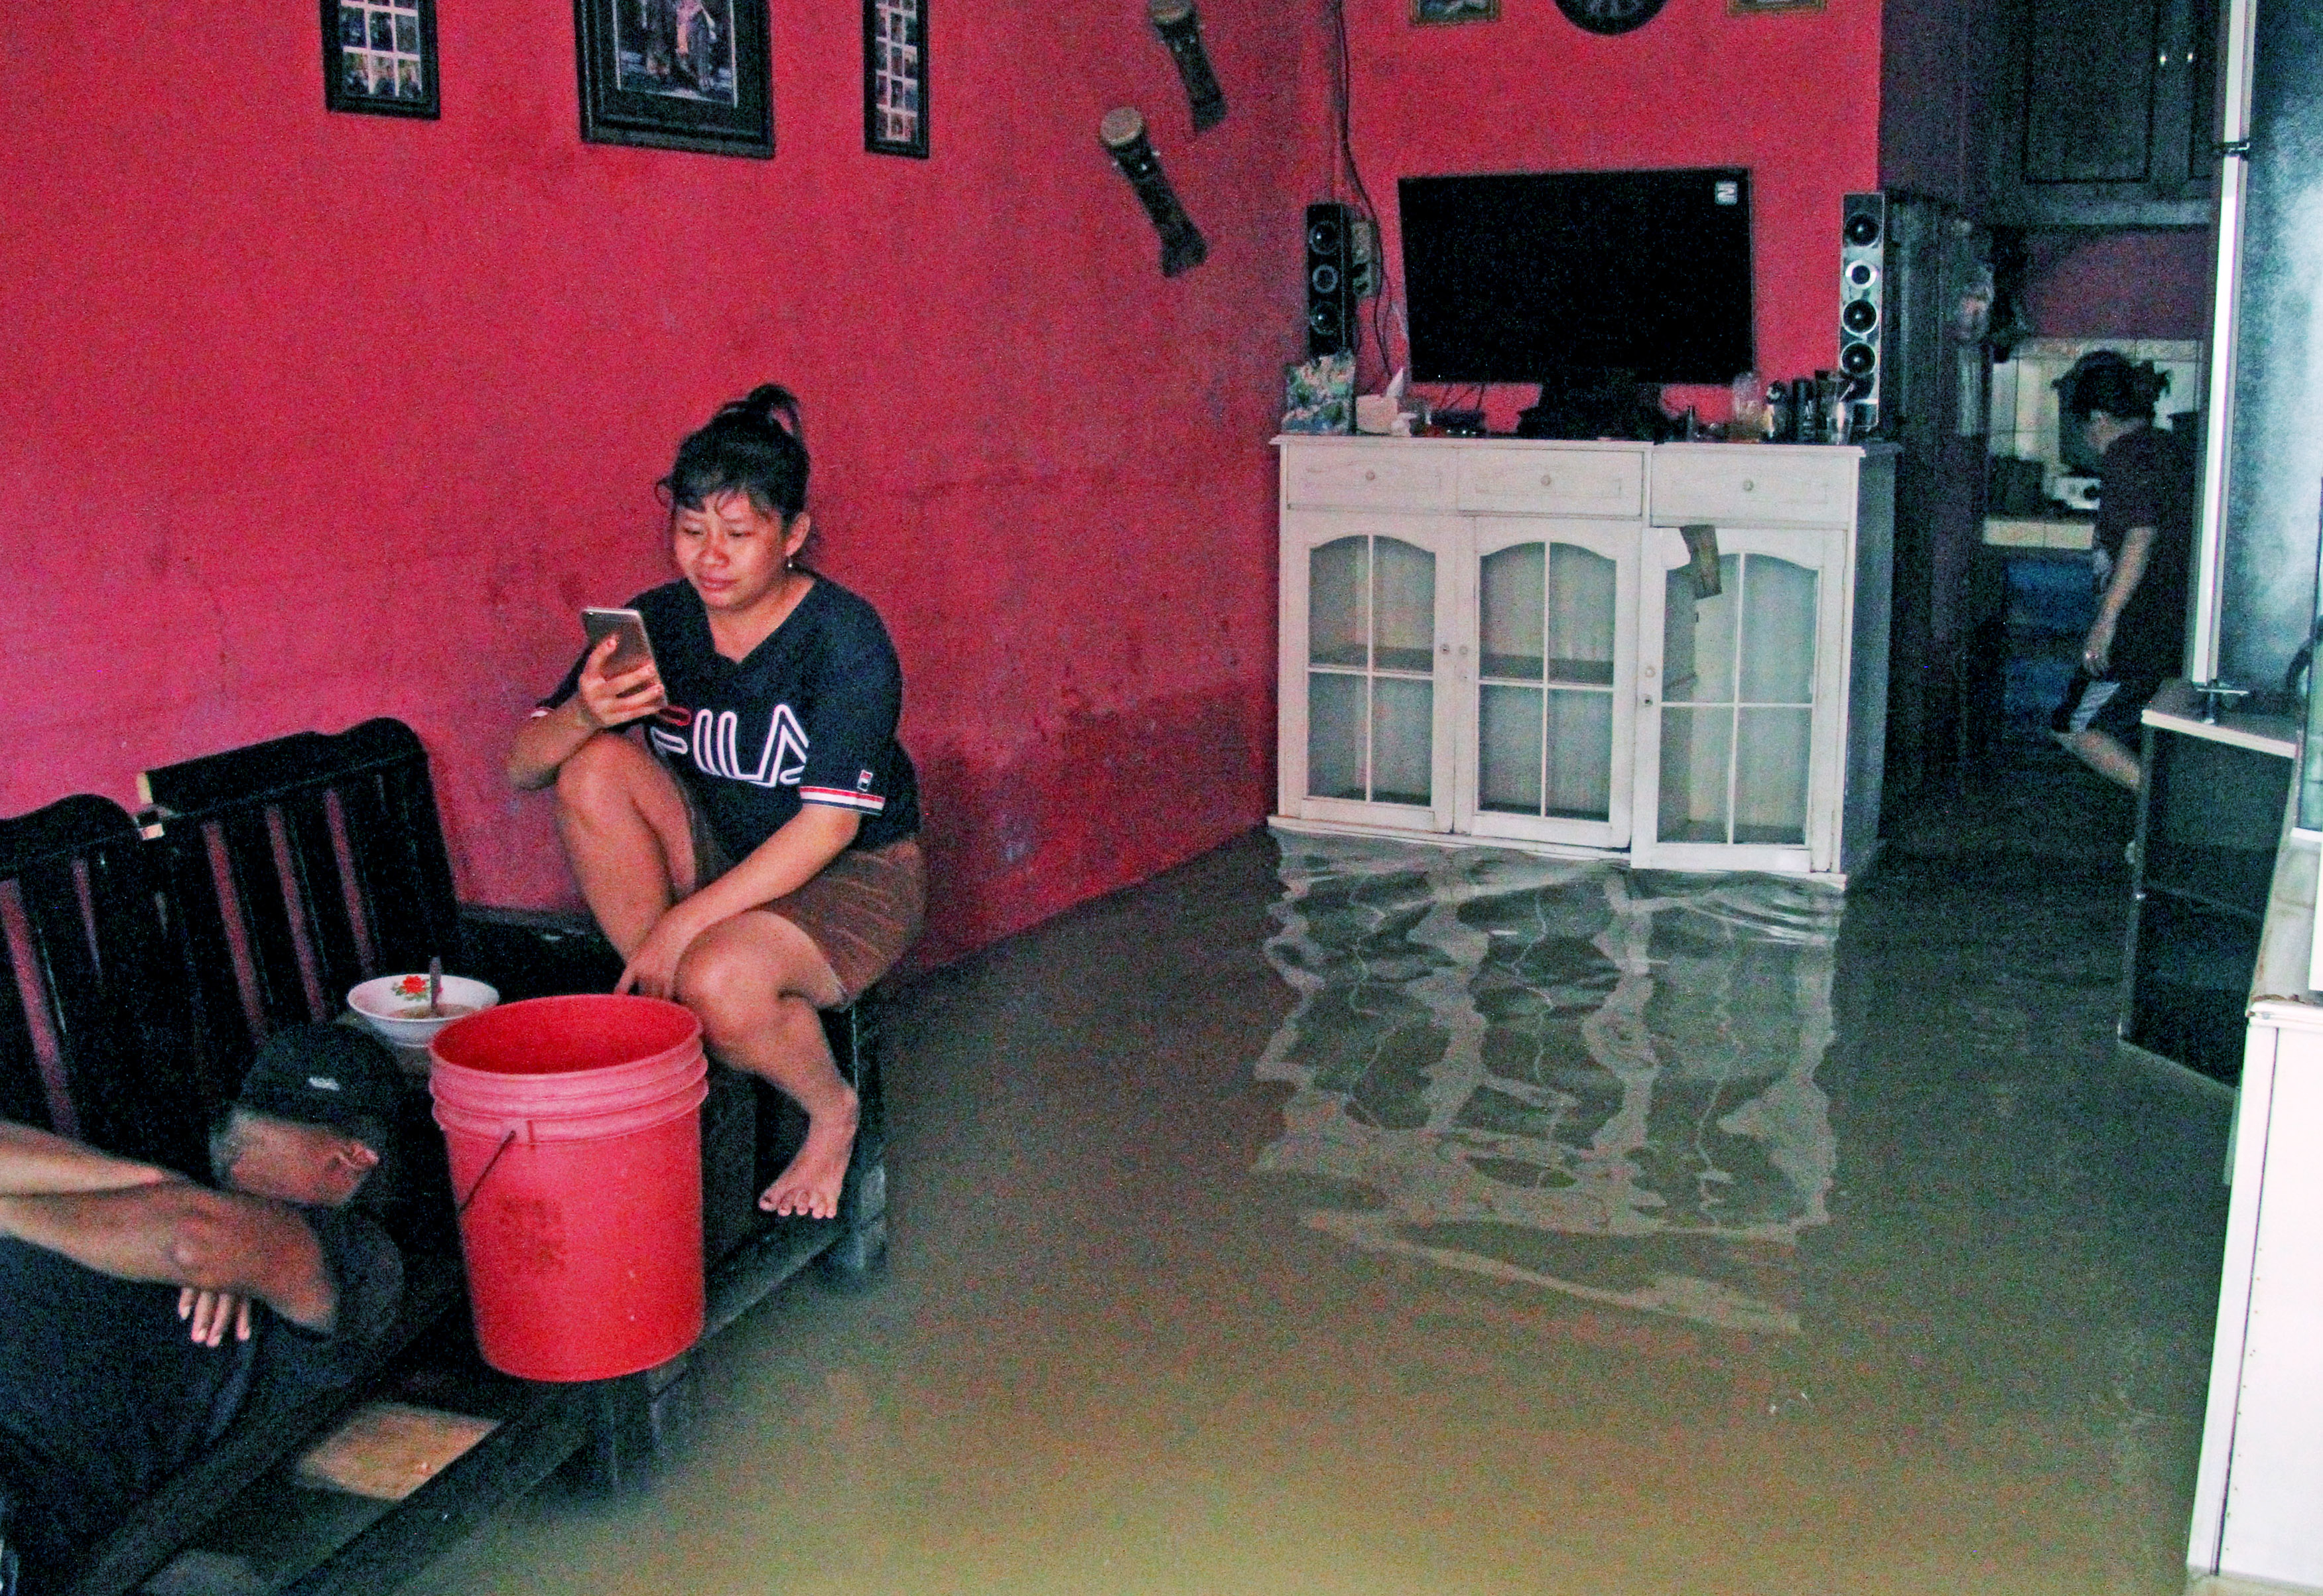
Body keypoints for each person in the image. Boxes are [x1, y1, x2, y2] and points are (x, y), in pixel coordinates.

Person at [508, 384, 923, 1221]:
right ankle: (673, 1035)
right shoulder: (658, 622)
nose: (711, 557)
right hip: (720, 849)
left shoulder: (844, 637)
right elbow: (524, 768)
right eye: (692, 530)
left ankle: (831, 1112)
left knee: (721, 978)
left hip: (851, 874)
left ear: (793, 536)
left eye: (739, 534)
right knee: (590, 769)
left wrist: (680, 927)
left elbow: (827, 828)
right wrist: (585, 713)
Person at [0, 1025, 407, 1594]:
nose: (238, 1131)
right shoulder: (157, 1182)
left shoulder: (351, 1254)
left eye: (273, 1123)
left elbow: (192, 1241)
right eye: (246, 1112)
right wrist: (139, 1179)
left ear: (351, 1159)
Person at [2047, 351, 2198, 791]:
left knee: (2077, 727)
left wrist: (2107, 619)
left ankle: (2168, 811)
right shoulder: (2164, 445)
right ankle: (2166, 812)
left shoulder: (2126, 455)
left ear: (2097, 418)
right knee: (2122, 725)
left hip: (2140, 623)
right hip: (2169, 620)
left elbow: (2140, 537)